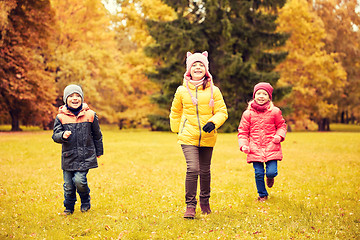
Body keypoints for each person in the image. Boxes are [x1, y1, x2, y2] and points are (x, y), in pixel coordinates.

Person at [170, 51, 228, 219]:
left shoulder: (214, 90)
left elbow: (222, 111)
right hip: (188, 135)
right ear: (189, 69)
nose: (197, 67)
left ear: (206, 69)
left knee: (204, 170)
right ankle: (190, 205)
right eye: (194, 65)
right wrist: (177, 129)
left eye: (201, 65)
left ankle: (205, 201)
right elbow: (175, 111)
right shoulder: (181, 90)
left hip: (208, 135)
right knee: (193, 168)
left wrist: (214, 122)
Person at [52, 84, 103, 215]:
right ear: (65, 99)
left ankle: (85, 200)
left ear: (82, 98)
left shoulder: (90, 115)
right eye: (71, 96)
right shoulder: (61, 117)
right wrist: (62, 136)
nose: (75, 98)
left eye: (77, 96)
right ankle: (69, 207)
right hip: (68, 156)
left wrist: (99, 151)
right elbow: (55, 135)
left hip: (85, 156)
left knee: (80, 181)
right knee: (68, 186)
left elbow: (97, 135)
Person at [237, 82, 286, 202]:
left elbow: (282, 126)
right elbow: (243, 132)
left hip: (271, 146)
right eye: (258, 93)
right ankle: (262, 195)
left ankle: (270, 177)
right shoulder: (248, 114)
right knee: (258, 173)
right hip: (254, 148)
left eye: (264, 94)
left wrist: (279, 136)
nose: (261, 96)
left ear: (269, 97)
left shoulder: (275, 111)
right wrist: (244, 145)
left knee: (271, 171)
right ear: (254, 96)